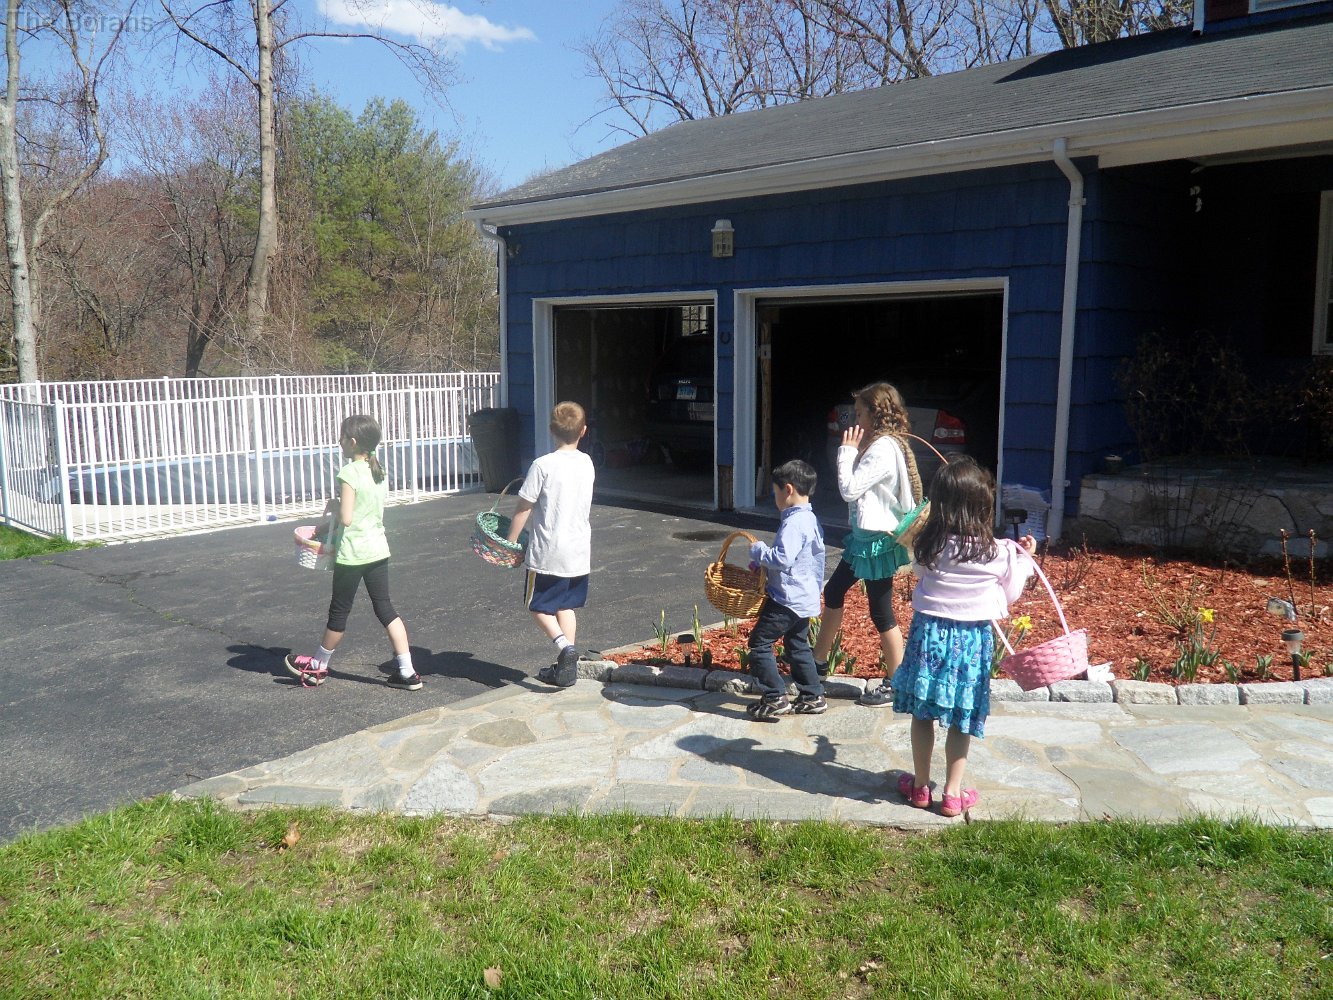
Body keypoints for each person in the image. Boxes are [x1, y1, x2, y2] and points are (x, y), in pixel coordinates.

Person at [891, 455, 1035, 817]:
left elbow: (920, 571)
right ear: (982, 506)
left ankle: (920, 787)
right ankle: (952, 795)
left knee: (922, 713)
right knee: (962, 715)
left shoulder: (928, 545)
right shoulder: (999, 552)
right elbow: (1010, 593)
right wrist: (1024, 560)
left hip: (929, 636)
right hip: (971, 641)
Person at [285, 413, 421, 691]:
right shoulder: (378, 470)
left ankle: (318, 666)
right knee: (385, 609)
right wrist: (324, 526)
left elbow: (346, 518)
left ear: (353, 441)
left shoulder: (349, 473)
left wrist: (334, 506)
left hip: (353, 554)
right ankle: (408, 672)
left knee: (339, 611)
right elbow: (362, 513)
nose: (339, 441)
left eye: (343, 437)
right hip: (378, 549)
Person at [811, 381, 917, 706]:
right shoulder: (880, 444)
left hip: (876, 544)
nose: (855, 420)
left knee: (881, 612)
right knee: (834, 592)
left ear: (876, 414)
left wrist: (845, 452)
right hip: (863, 541)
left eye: (859, 413)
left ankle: (897, 682)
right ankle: (816, 664)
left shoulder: (882, 449)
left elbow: (849, 490)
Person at [507, 401, 595, 688]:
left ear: (550, 430)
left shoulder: (543, 465)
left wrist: (510, 542)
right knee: (565, 607)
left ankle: (565, 649)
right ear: (583, 431)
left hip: (548, 553)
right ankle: (566, 668)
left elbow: (524, 507)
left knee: (537, 606)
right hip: (578, 551)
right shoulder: (587, 462)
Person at [744, 459, 827, 720]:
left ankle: (774, 697)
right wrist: (765, 565)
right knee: (797, 645)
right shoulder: (810, 518)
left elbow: (782, 558)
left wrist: (759, 551)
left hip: (786, 599)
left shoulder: (794, 523)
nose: (775, 498)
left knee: (759, 643)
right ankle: (813, 696)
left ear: (788, 489)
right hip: (804, 597)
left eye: (775, 492)